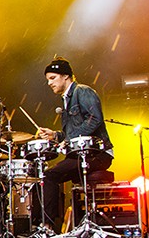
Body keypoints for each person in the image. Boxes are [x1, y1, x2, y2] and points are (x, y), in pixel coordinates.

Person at [35, 57, 114, 233]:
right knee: (49, 176)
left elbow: (95, 119)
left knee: (49, 177)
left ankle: (47, 227)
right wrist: (55, 135)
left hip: (98, 154)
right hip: (82, 153)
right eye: (48, 79)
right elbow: (73, 132)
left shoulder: (83, 91)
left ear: (66, 76)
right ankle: (68, 225)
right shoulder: (66, 100)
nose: (49, 83)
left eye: (52, 78)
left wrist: (68, 140)